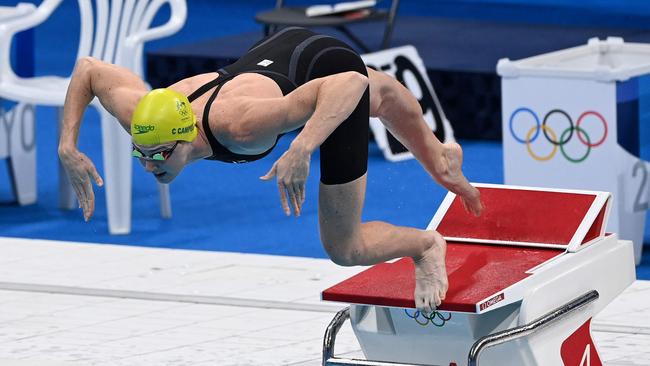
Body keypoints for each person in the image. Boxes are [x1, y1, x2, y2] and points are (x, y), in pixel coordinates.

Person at [58, 27, 483, 312]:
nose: (150, 166)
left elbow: (350, 84)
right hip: (284, 55)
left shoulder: (241, 127)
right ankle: (439, 155)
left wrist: (302, 147)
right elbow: (89, 70)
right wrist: (67, 146)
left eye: (159, 155)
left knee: (344, 247)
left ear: (186, 137)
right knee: (380, 98)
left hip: (325, 74)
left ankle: (425, 247)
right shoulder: (142, 115)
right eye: (141, 153)